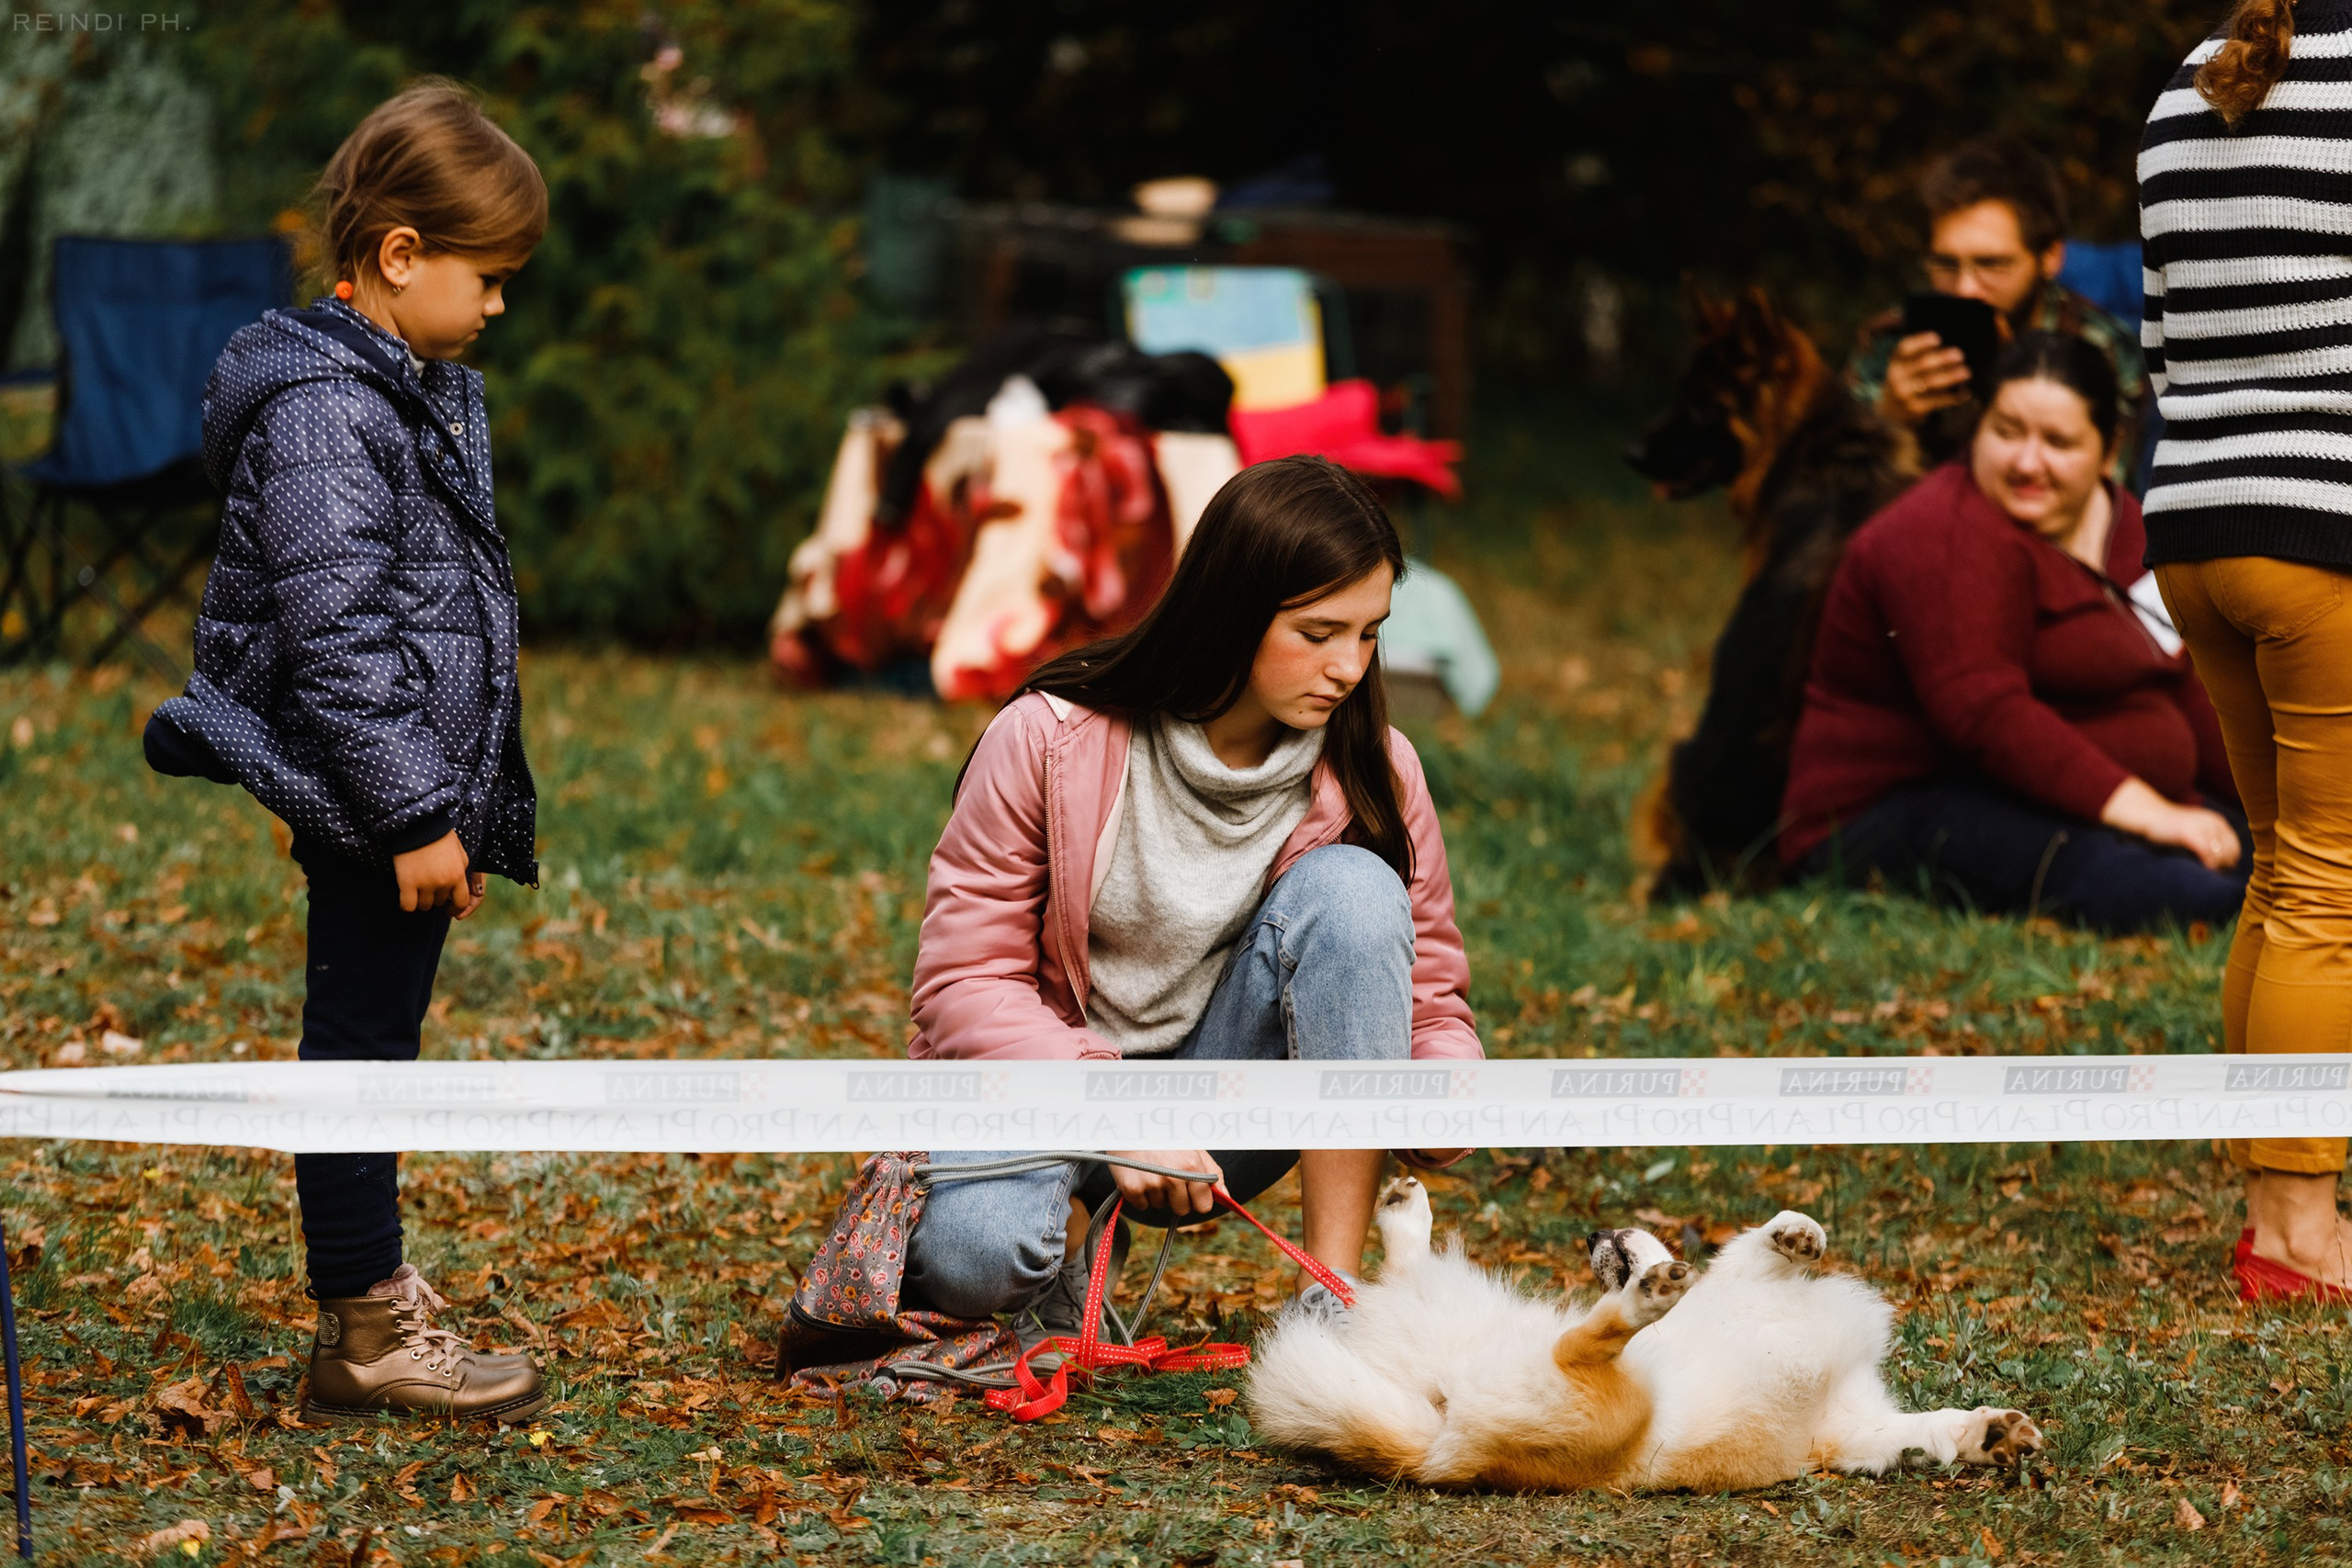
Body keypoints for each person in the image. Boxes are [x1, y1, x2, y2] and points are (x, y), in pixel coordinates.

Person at [142, 81, 548, 1421]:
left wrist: (441, 804)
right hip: (389, 801)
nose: (496, 307)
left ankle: (370, 1298)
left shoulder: (384, 393)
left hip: (393, 795)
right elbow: (340, 640)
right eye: (487, 278)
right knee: (361, 1047)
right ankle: (366, 1326)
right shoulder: (330, 413)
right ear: (399, 256)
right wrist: (414, 815)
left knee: (375, 1035)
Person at [903, 455, 1480, 1344]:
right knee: (976, 1261)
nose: (1349, 668)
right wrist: (1115, 1113)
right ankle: (1057, 1252)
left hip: (1228, 1111)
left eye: (1369, 635)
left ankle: (1335, 1298)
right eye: (1318, 633)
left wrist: (1444, 1090)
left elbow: (1429, 988)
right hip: (1050, 1089)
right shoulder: (1047, 740)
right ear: (1231, 613)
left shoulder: (1377, 766)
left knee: (1357, 891)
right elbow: (962, 984)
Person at [1781, 333, 2246, 932]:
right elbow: (1984, 713)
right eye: (2006, 432)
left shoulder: (2126, 523)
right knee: (2128, 875)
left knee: (2271, 850)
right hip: (1897, 805)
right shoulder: (1940, 533)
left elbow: (2178, 674)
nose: (2027, 462)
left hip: (2076, 787)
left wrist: (2265, 806)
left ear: (2109, 451)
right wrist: (2153, 814)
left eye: (2057, 442)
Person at [2142, 0, 2352, 1303]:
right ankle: (2298, 1233)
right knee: (2336, 886)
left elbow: (2162, 352)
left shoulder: (2184, 88)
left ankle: (2276, 1207)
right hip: (2326, 522)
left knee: (2286, 867)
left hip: (2196, 529)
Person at [1848, 136, 2148, 485]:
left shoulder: (2101, 350)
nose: (1965, 289)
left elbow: (2102, 506)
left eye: (1991, 264)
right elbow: (1834, 501)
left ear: (2050, 257)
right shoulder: (1891, 343)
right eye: (1945, 264)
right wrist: (1888, 422)